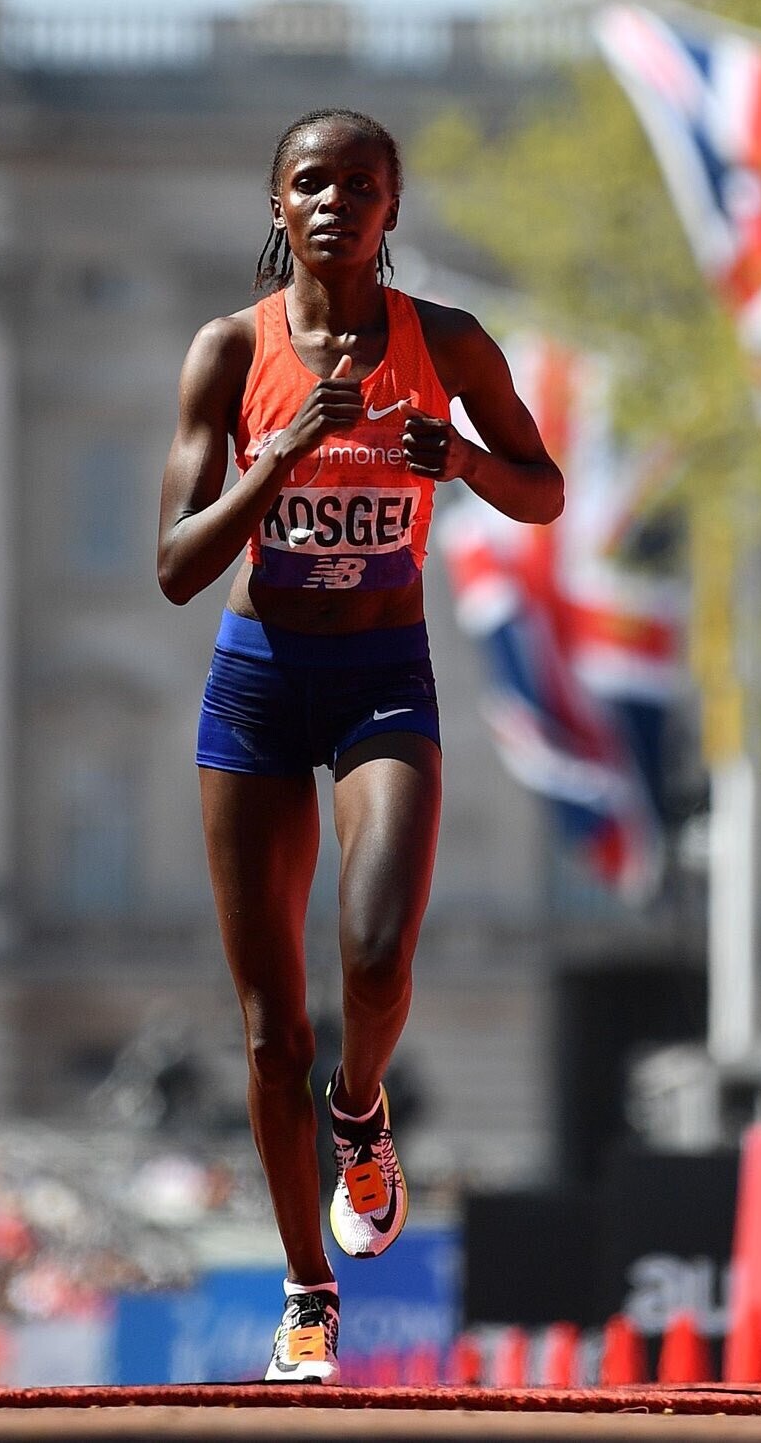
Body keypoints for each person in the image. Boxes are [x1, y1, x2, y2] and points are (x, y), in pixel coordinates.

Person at [156, 107, 563, 1383]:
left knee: (377, 956)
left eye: (359, 184)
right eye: (309, 182)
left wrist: (465, 463)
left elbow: (543, 487)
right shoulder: (230, 351)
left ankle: (360, 1110)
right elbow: (176, 564)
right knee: (271, 1030)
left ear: (392, 205)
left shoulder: (446, 343)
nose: (333, 202)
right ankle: (306, 1288)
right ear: (276, 204)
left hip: (382, 677)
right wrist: (276, 455)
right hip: (259, 685)